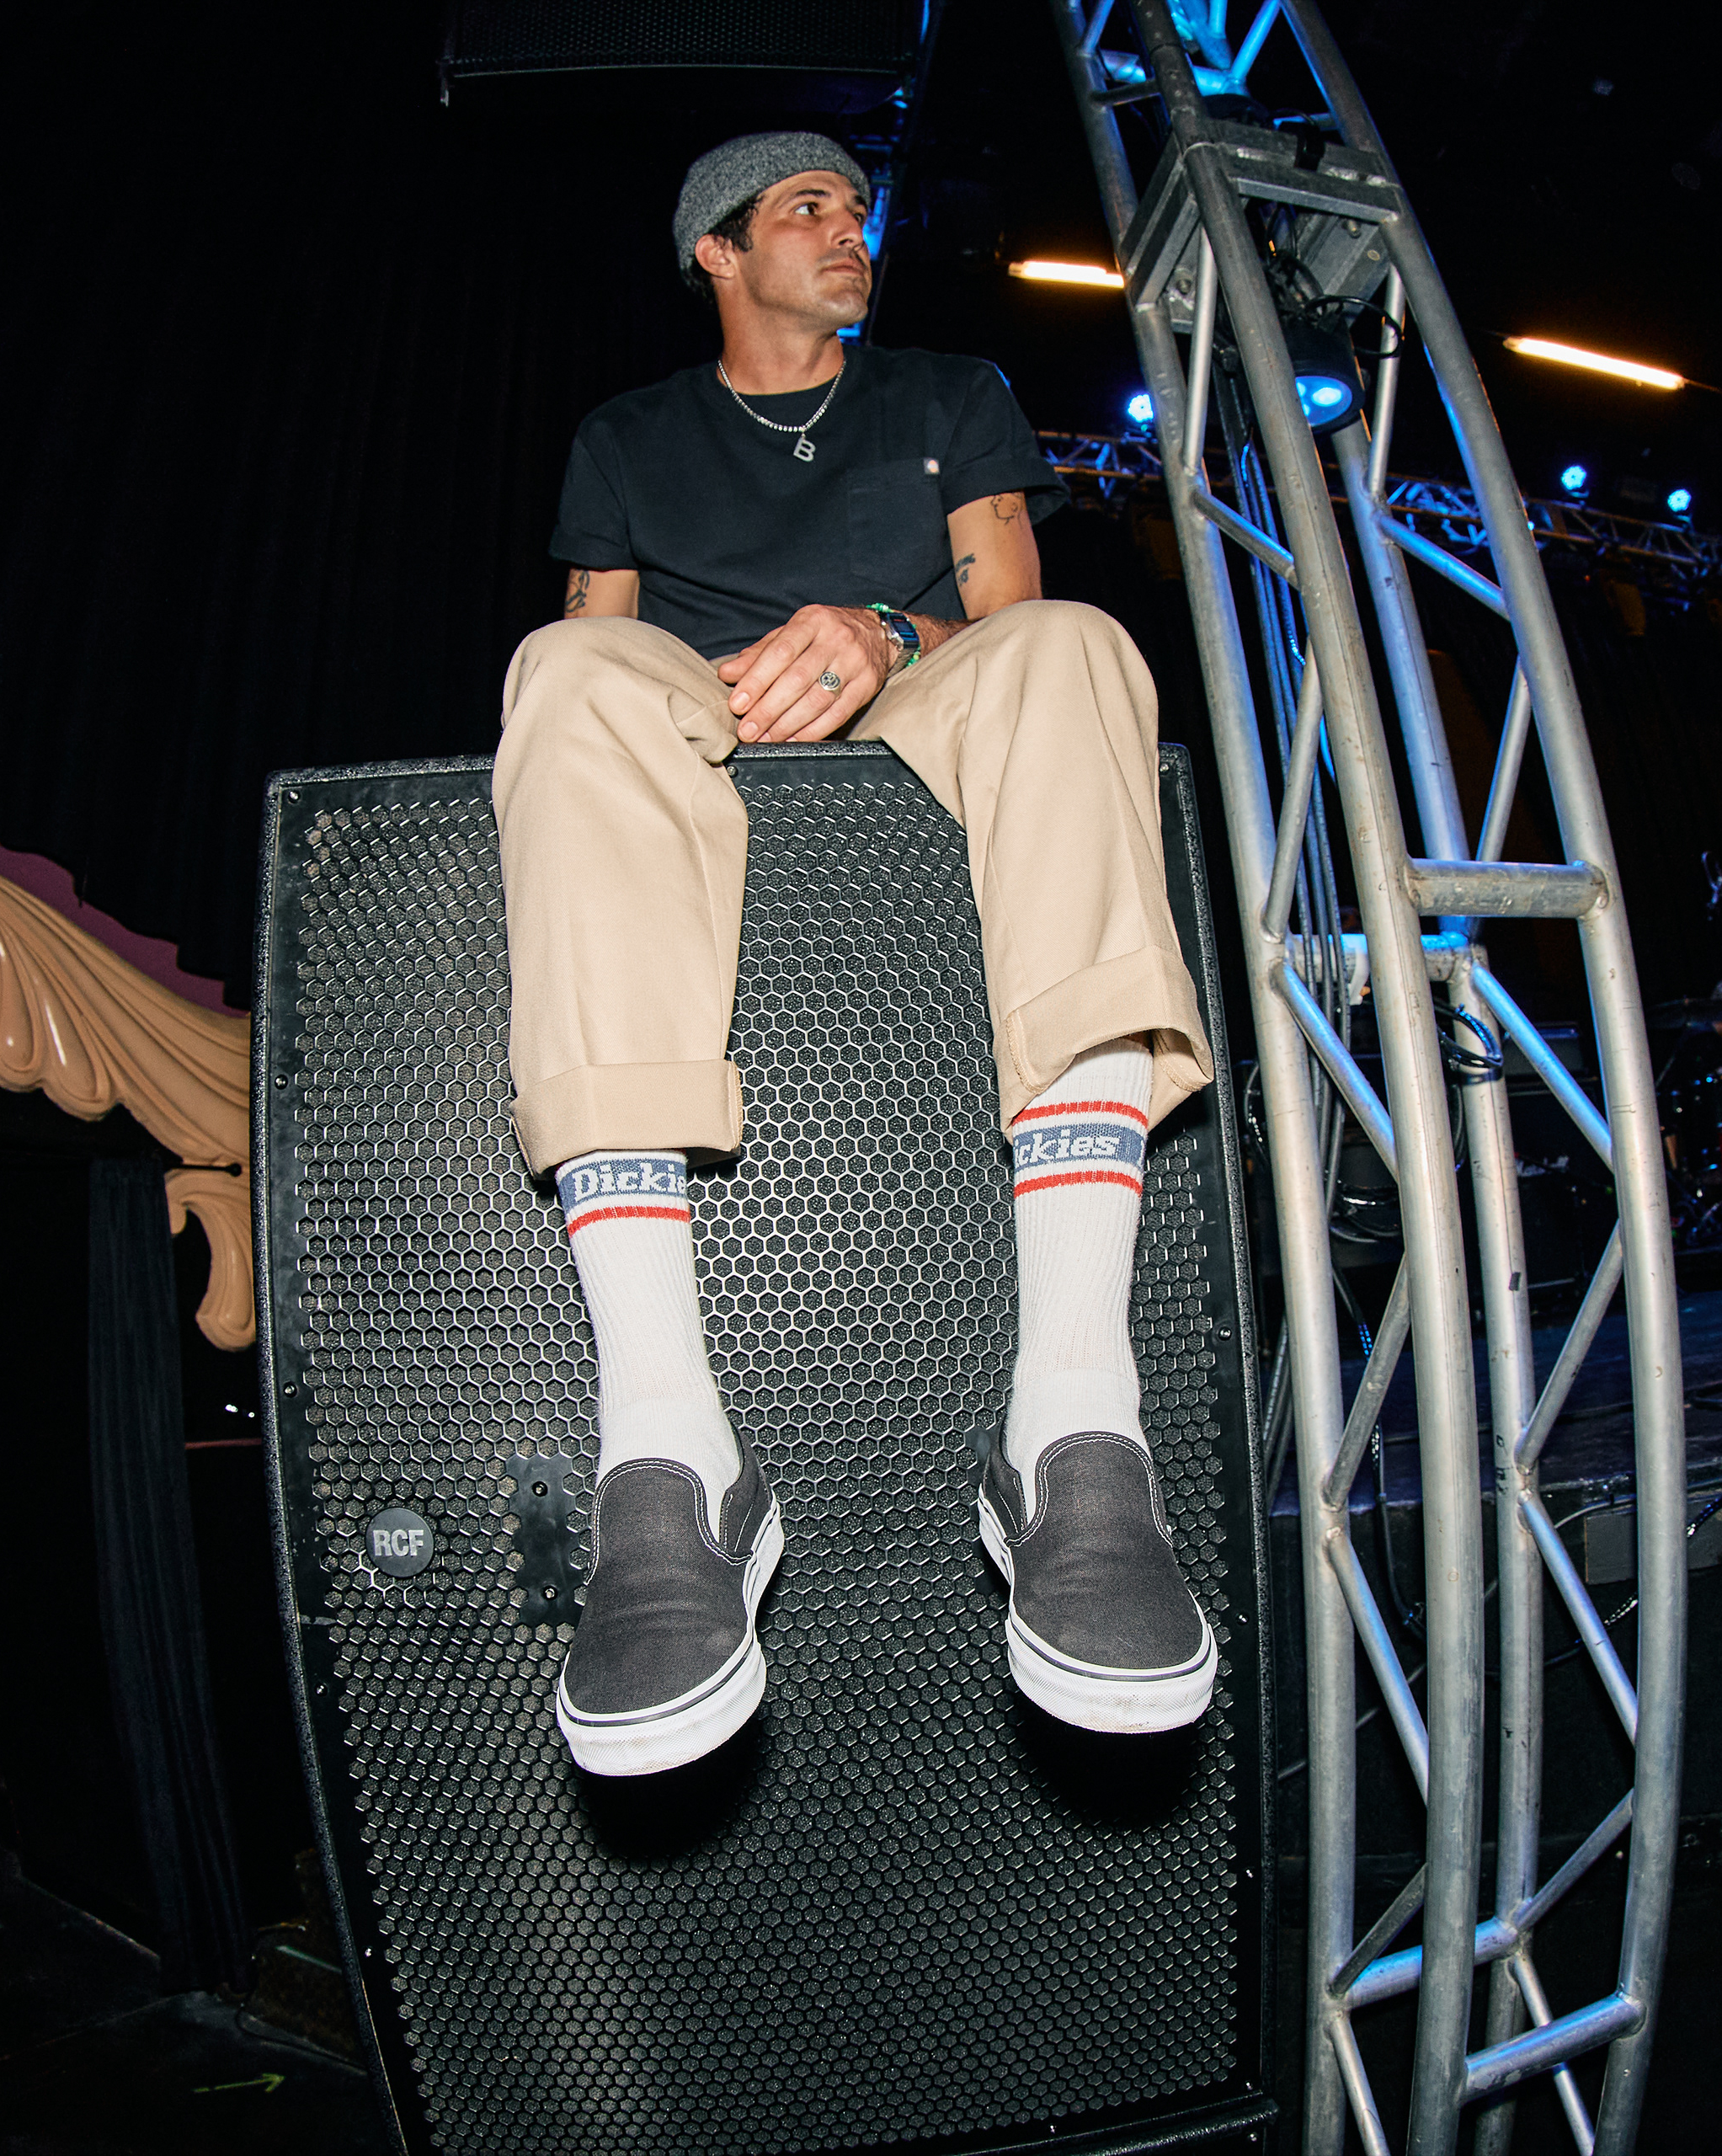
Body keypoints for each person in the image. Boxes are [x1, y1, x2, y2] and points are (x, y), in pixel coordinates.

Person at [495, 131, 1220, 1777]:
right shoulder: (628, 436)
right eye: (805, 209)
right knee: (567, 674)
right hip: (704, 697)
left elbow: (1004, 607)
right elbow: (600, 641)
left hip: (919, 682)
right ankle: (668, 1451)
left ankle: (1075, 1420)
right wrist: (674, 696)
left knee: (1073, 648)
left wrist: (884, 632)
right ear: (717, 250)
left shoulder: (948, 392)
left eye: (856, 208)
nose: (850, 231)